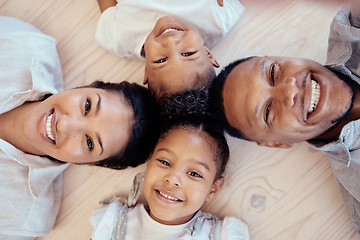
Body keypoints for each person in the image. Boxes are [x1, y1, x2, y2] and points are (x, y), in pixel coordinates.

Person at [0, 16, 160, 239]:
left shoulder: (25, 218)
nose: (65, 124)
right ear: (88, 86)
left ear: (92, 163)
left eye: (89, 142)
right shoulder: (22, 44)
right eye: (87, 105)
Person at [210, 1, 360, 230]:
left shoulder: (352, 24)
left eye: (272, 72)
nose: (289, 90)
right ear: (276, 143)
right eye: (268, 112)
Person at [90, 117, 250, 239]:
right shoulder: (113, 221)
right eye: (164, 162)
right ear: (150, 161)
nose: (173, 179)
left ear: (213, 189)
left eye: (194, 174)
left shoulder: (221, 235)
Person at [95, 0, 244, 98]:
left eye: (161, 60)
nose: (171, 42)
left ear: (147, 70)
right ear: (208, 54)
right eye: (188, 53)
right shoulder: (218, 19)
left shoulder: (123, 38)